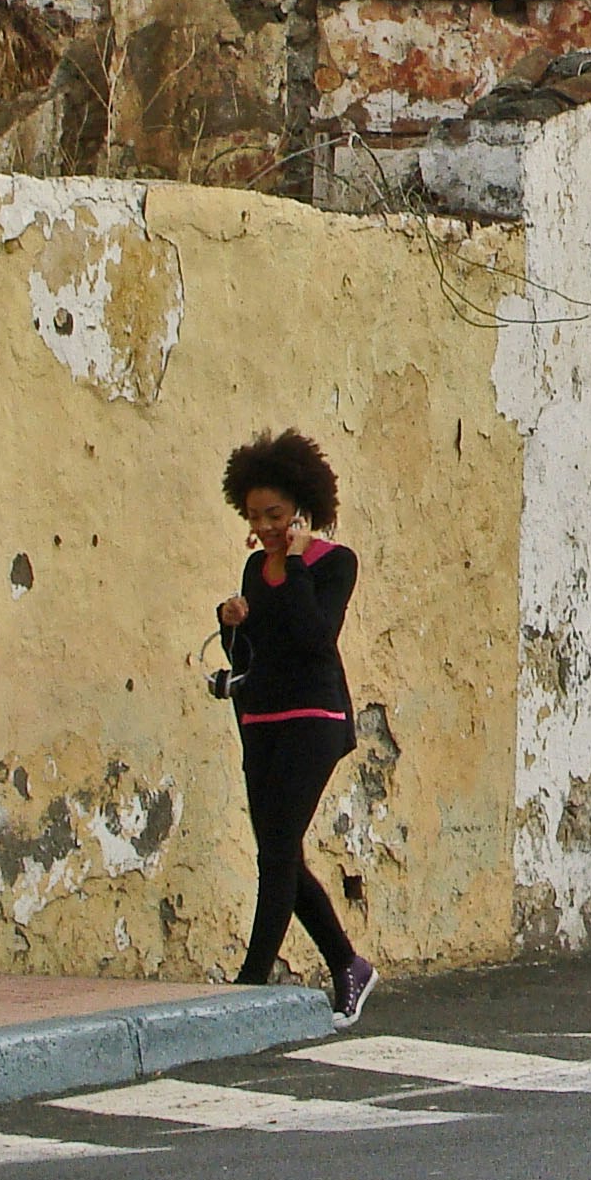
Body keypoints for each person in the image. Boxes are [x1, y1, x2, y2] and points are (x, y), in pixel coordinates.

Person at [214, 429, 377, 1026]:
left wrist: (301, 564)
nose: (265, 528)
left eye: (275, 514)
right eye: (255, 517)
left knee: (277, 850)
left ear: (302, 509)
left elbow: (314, 637)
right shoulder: (256, 567)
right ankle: (347, 964)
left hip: (315, 718)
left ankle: (251, 981)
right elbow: (250, 655)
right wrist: (231, 622)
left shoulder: (336, 563)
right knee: (278, 851)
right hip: (260, 716)